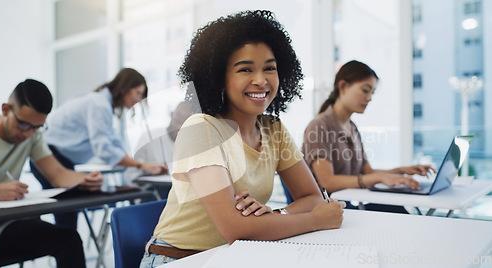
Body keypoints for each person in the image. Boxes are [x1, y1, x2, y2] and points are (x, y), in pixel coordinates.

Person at [140, 10, 345, 267]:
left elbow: (312, 197)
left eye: (269, 68)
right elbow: (235, 229)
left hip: (233, 257)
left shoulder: (274, 129)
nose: (261, 80)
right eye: (245, 69)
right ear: (219, 78)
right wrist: (316, 220)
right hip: (177, 259)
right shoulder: (201, 129)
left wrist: (275, 213)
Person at [30, 68, 168, 229]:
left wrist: (143, 164)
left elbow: (114, 145)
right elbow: (103, 149)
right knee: (67, 214)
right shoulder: (99, 104)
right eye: (137, 93)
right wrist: (141, 165)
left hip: (62, 158)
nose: (139, 100)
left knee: (68, 212)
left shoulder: (105, 105)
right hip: (48, 156)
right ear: (124, 88)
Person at [0, 79, 103, 267]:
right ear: (5, 110)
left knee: (69, 239)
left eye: (37, 127)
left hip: (3, 223)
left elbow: (58, 174)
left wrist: (87, 179)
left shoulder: (32, 136)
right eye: (23, 125)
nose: (28, 134)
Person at [301, 60, 434, 213]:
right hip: (326, 211)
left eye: (372, 93)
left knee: (397, 210)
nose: (370, 98)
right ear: (343, 86)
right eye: (365, 90)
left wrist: (403, 171)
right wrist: (379, 178)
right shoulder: (319, 126)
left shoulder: (352, 127)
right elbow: (327, 181)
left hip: (347, 206)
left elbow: (367, 172)